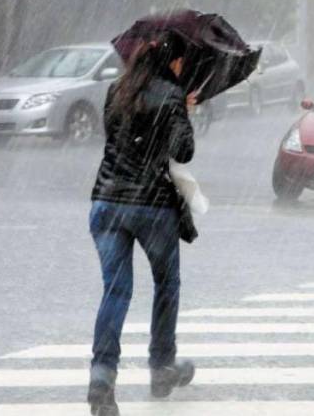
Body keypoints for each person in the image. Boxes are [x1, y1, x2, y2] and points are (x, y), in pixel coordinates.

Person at [87, 32, 196, 416]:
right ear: (173, 62)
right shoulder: (171, 95)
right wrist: (182, 109)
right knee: (167, 283)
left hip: (106, 202)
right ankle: (162, 366)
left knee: (115, 292)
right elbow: (183, 151)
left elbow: (116, 139)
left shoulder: (116, 90)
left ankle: (101, 376)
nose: (184, 68)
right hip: (151, 206)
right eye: (183, 62)